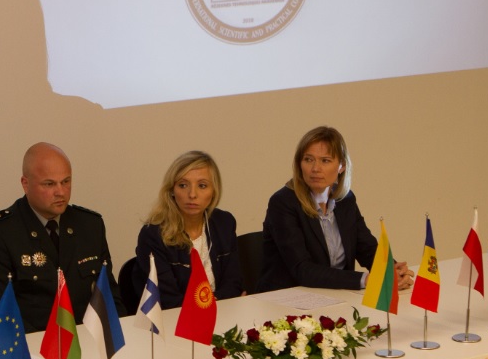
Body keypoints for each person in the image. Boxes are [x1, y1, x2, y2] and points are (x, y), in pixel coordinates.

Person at [0, 142, 125, 333]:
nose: (61, 192)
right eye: (49, 184)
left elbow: (110, 298)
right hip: (30, 346)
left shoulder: (90, 225)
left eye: (66, 181)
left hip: (88, 341)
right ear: (25, 184)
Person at [257, 126, 414, 292]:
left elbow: (367, 248)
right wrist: (367, 279)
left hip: (336, 295)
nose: (315, 168)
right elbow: (302, 269)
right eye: (308, 159)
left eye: (325, 161)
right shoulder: (283, 203)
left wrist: (392, 271)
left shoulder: (345, 200)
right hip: (287, 296)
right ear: (299, 164)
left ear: (342, 166)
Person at [131, 151, 243, 308]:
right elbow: (168, 300)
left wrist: (213, 305)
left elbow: (234, 283)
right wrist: (210, 306)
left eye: (202, 185)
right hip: (176, 319)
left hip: (222, 313)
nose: (192, 194)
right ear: (171, 190)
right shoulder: (153, 234)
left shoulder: (224, 223)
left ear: (214, 191)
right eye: (183, 185)